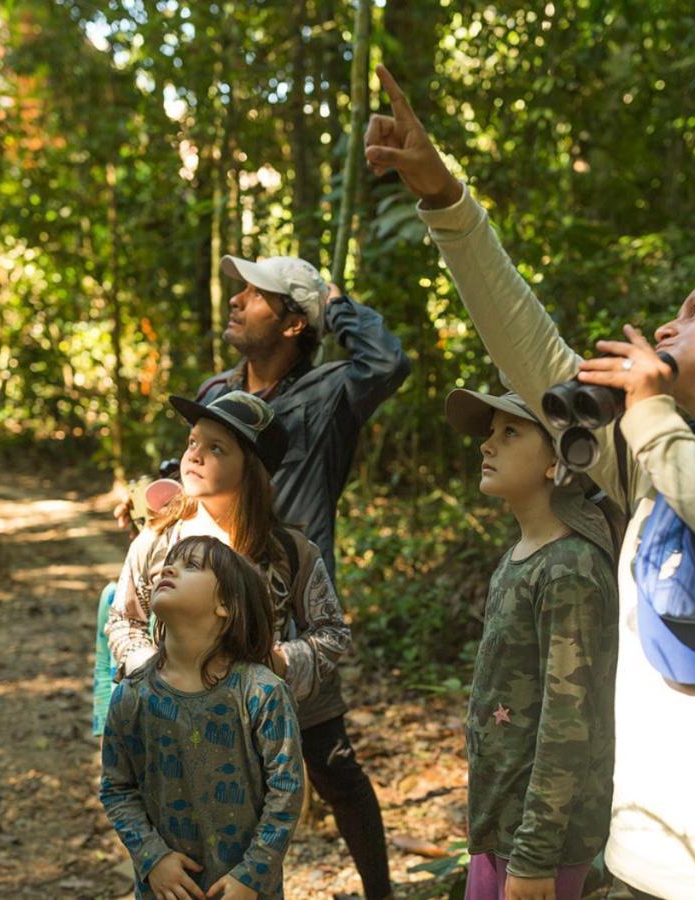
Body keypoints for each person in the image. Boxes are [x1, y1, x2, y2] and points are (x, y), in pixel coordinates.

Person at [367, 64, 695, 900]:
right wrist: (441, 192)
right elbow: (526, 341)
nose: (671, 323)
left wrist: (656, 419)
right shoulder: (658, 449)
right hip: (646, 864)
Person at [107, 391, 395, 899]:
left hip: (269, 702)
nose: (194, 455)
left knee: (332, 777)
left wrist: (282, 661)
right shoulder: (156, 543)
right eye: (193, 443)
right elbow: (124, 620)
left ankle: (378, 890)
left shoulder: (288, 550)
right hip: (173, 711)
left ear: (252, 468)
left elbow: (332, 630)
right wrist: (157, 672)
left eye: (217, 448)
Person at [118, 258, 411, 582]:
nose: (236, 299)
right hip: (207, 587)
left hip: (289, 596)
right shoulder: (215, 392)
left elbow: (386, 363)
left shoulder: (330, 395)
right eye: (243, 289)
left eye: (257, 294)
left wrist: (336, 306)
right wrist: (159, 502)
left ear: (293, 325)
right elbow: (204, 481)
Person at [445, 389, 619, 900]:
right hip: (499, 830)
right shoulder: (519, 558)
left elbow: (569, 722)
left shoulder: (569, 569)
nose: (486, 446)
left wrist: (537, 851)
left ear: (557, 464)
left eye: (510, 433)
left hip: (544, 848)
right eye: (490, 433)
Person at [100, 535, 303, 899]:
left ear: (225, 603)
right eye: (168, 563)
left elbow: (286, 790)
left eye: (191, 565)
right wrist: (152, 858)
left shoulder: (262, 692)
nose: (168, 568)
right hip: (166, 889)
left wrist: (252, 874)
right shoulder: (132, 697)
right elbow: (117, 788)